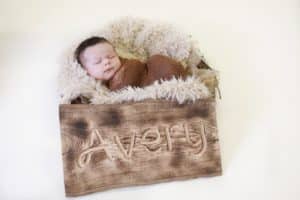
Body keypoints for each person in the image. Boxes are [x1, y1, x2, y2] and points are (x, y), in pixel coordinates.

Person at [72, 36, 190, 103]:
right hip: (152, 102)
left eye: (111, 57)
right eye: (98, 62)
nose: (107, 62)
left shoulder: (130, 65)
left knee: (157, 59)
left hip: (161, 78)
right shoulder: (96, 89)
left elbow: (126, 86)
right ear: (85, 70)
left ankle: (182, 84)